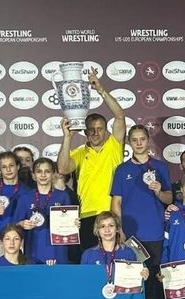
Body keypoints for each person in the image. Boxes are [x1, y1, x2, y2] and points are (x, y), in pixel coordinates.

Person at [57, 69, 126, 261]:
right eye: (91, 130)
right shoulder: (79, 153)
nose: (95, 133)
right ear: (85, 132)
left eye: (99, 129)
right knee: (90, 265)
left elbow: (120, 117)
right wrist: (67, 138)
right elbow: (62, 168)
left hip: (111, 214)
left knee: (115, 263)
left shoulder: (114, 146)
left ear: (106, 131)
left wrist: (101, 90)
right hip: (86, 216)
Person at [111, 124, 172, 299]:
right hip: (130, 234)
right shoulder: (122, 170)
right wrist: (119, 230)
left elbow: (169, 198)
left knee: (153, 274)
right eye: (134, 140)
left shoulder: (160, 167)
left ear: (148, 140)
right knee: (131, 274)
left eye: (142, 139)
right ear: (129, 142)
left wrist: (159, 191)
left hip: (154, 231)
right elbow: (116, 203)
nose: (138, 143)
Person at [14, 158, 77, 264]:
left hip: (58, 250)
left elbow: (69, 224)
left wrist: (74, 224)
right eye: (39, 171)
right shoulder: (25, 198)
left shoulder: (63, 196)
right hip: (34, 250)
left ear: (54, 174)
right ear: (33, 175)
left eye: (47, 171)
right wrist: (21, 224)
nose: (43, 175)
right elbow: (15, 225)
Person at [0, 151, 30, 252]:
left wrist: (25, 223)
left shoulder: (28, 192)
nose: (8, 169)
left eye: (11, 165)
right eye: (4, 167)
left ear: (18, 166)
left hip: (22, 243)